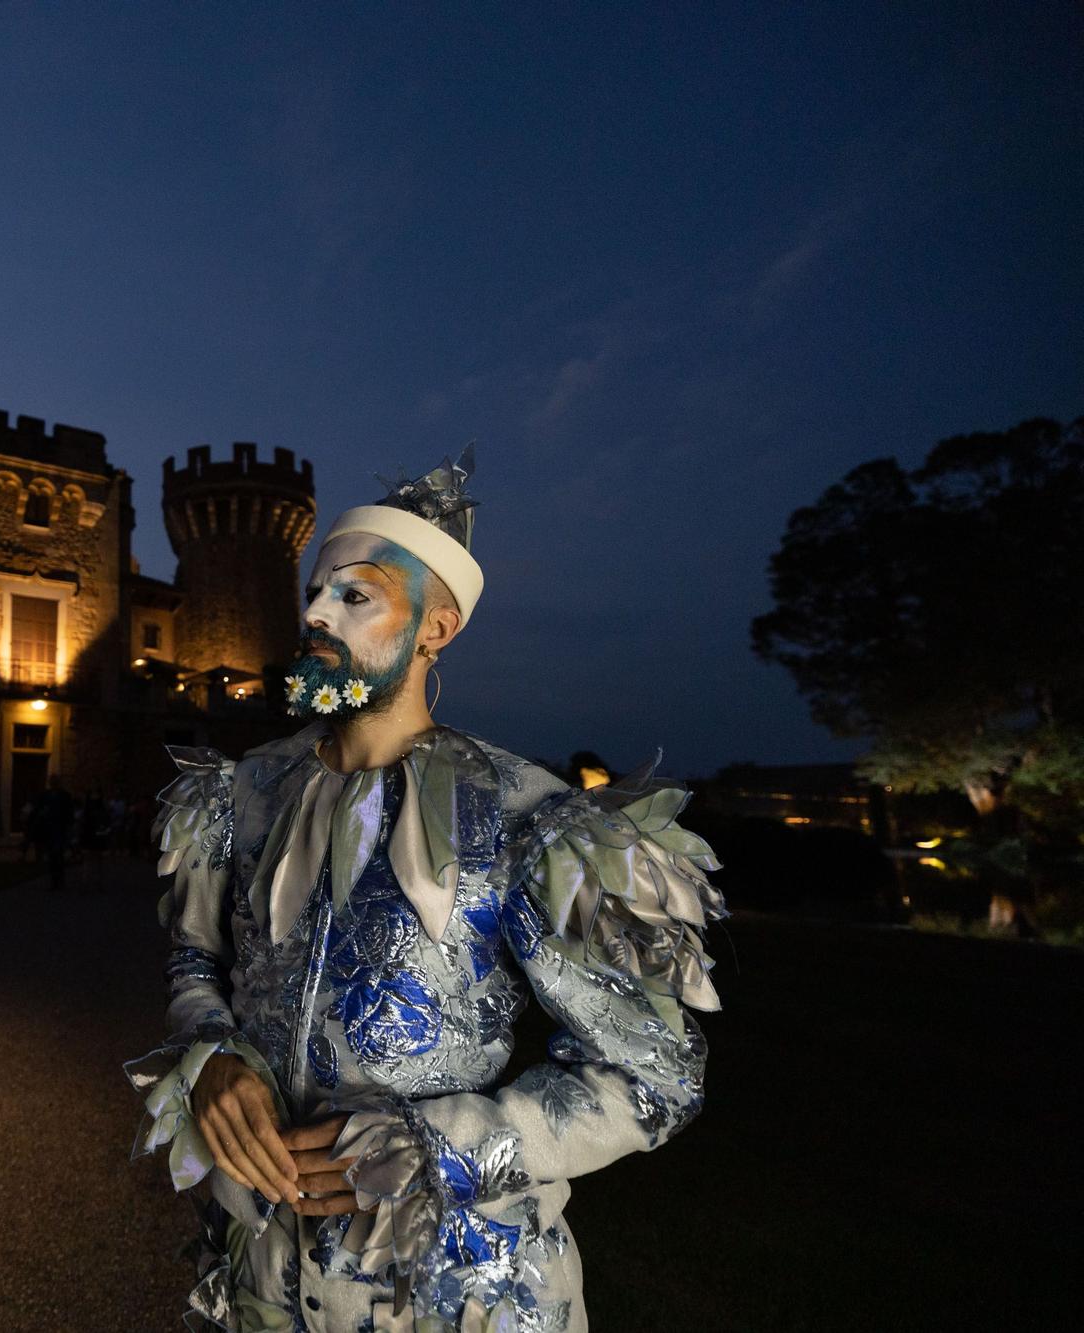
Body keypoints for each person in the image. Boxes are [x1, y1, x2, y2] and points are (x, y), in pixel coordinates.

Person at [125, 452, 726, 1330]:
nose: (316, 613)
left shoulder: (532, 817)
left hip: (459, 1296)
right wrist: (211, 1054)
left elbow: (655, 1072)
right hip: (263, 1284)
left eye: (356, 596)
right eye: (315, 591)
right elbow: (196, 959)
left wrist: (446, 1144)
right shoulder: (240, 796)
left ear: (436, 628)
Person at [31, 774, 75, 891]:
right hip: (49, 830)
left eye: (55, 781)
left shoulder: (65, 796)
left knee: (59, 856)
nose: (53, 783)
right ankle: (54, 881)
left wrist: (69, 829)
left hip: (60, 830)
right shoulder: (44, 796)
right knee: (52, 857)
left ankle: (60, 881)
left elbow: (69, 813)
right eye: (52, 781)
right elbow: (38, 810)